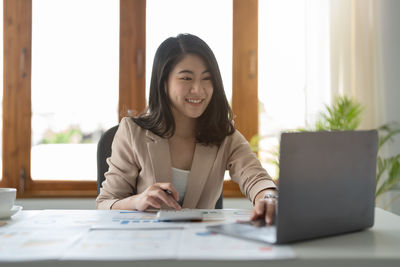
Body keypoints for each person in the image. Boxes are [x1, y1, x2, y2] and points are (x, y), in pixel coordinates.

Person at [96, 33, 278, 225]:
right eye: (186, 78)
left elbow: (255, 177)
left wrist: (268, 197)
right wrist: (138, 200)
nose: (198, 89)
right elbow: (105, 204)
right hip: (145, 243)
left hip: (200, 245)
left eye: (207, 79)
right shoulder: (132, 133)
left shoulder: (225, 135)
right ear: (163, 82)